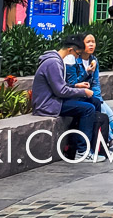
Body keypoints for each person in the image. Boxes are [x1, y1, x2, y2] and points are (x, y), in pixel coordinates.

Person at [31, 33, 103, 161]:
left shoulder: (56, 61)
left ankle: (91, 145)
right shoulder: (53, 63)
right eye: (77, 53)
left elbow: (60, 86)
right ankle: (82, 151)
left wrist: (76, 85)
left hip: (56, 100)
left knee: (94, 102)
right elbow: (61, 91)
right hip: (48, 104)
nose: (77, 56)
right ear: (71, 50)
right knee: (88, 109)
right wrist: (83, 92)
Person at [66, 34, 113, 155]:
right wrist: (87, 72)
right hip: (79, 96)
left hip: (92, 96)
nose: (91, 45)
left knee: (108, 113)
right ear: (81, 45)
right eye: (88, 42)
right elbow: (73, 84)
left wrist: (98, 98)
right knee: (104, 113)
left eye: (93, 42)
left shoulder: (94, 60)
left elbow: (95, 84)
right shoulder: (74, 61)